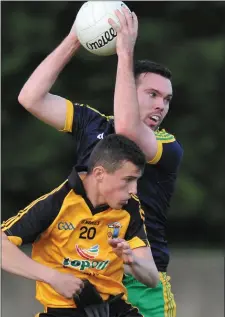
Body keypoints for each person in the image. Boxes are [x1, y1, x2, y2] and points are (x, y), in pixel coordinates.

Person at [17, 6, 183, 317]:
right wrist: (75, 38)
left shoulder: (166, 145)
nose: (161, 105)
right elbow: (30, 98)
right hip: (90, 279)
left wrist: (124, 54)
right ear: (127, 89)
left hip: (142, 282)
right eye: (152, 94)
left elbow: (126, 132)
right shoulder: (91, 123)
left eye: (167, 99)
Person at [1, 134, 159, 317]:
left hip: (113, 310)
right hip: (63, 312)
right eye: (128, 180)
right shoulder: (56, 203)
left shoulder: (130, 208)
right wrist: (53, 277)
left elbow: (152, 278)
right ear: (99, 174)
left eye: (137, 181)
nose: (134, 190)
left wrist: (133, 260)